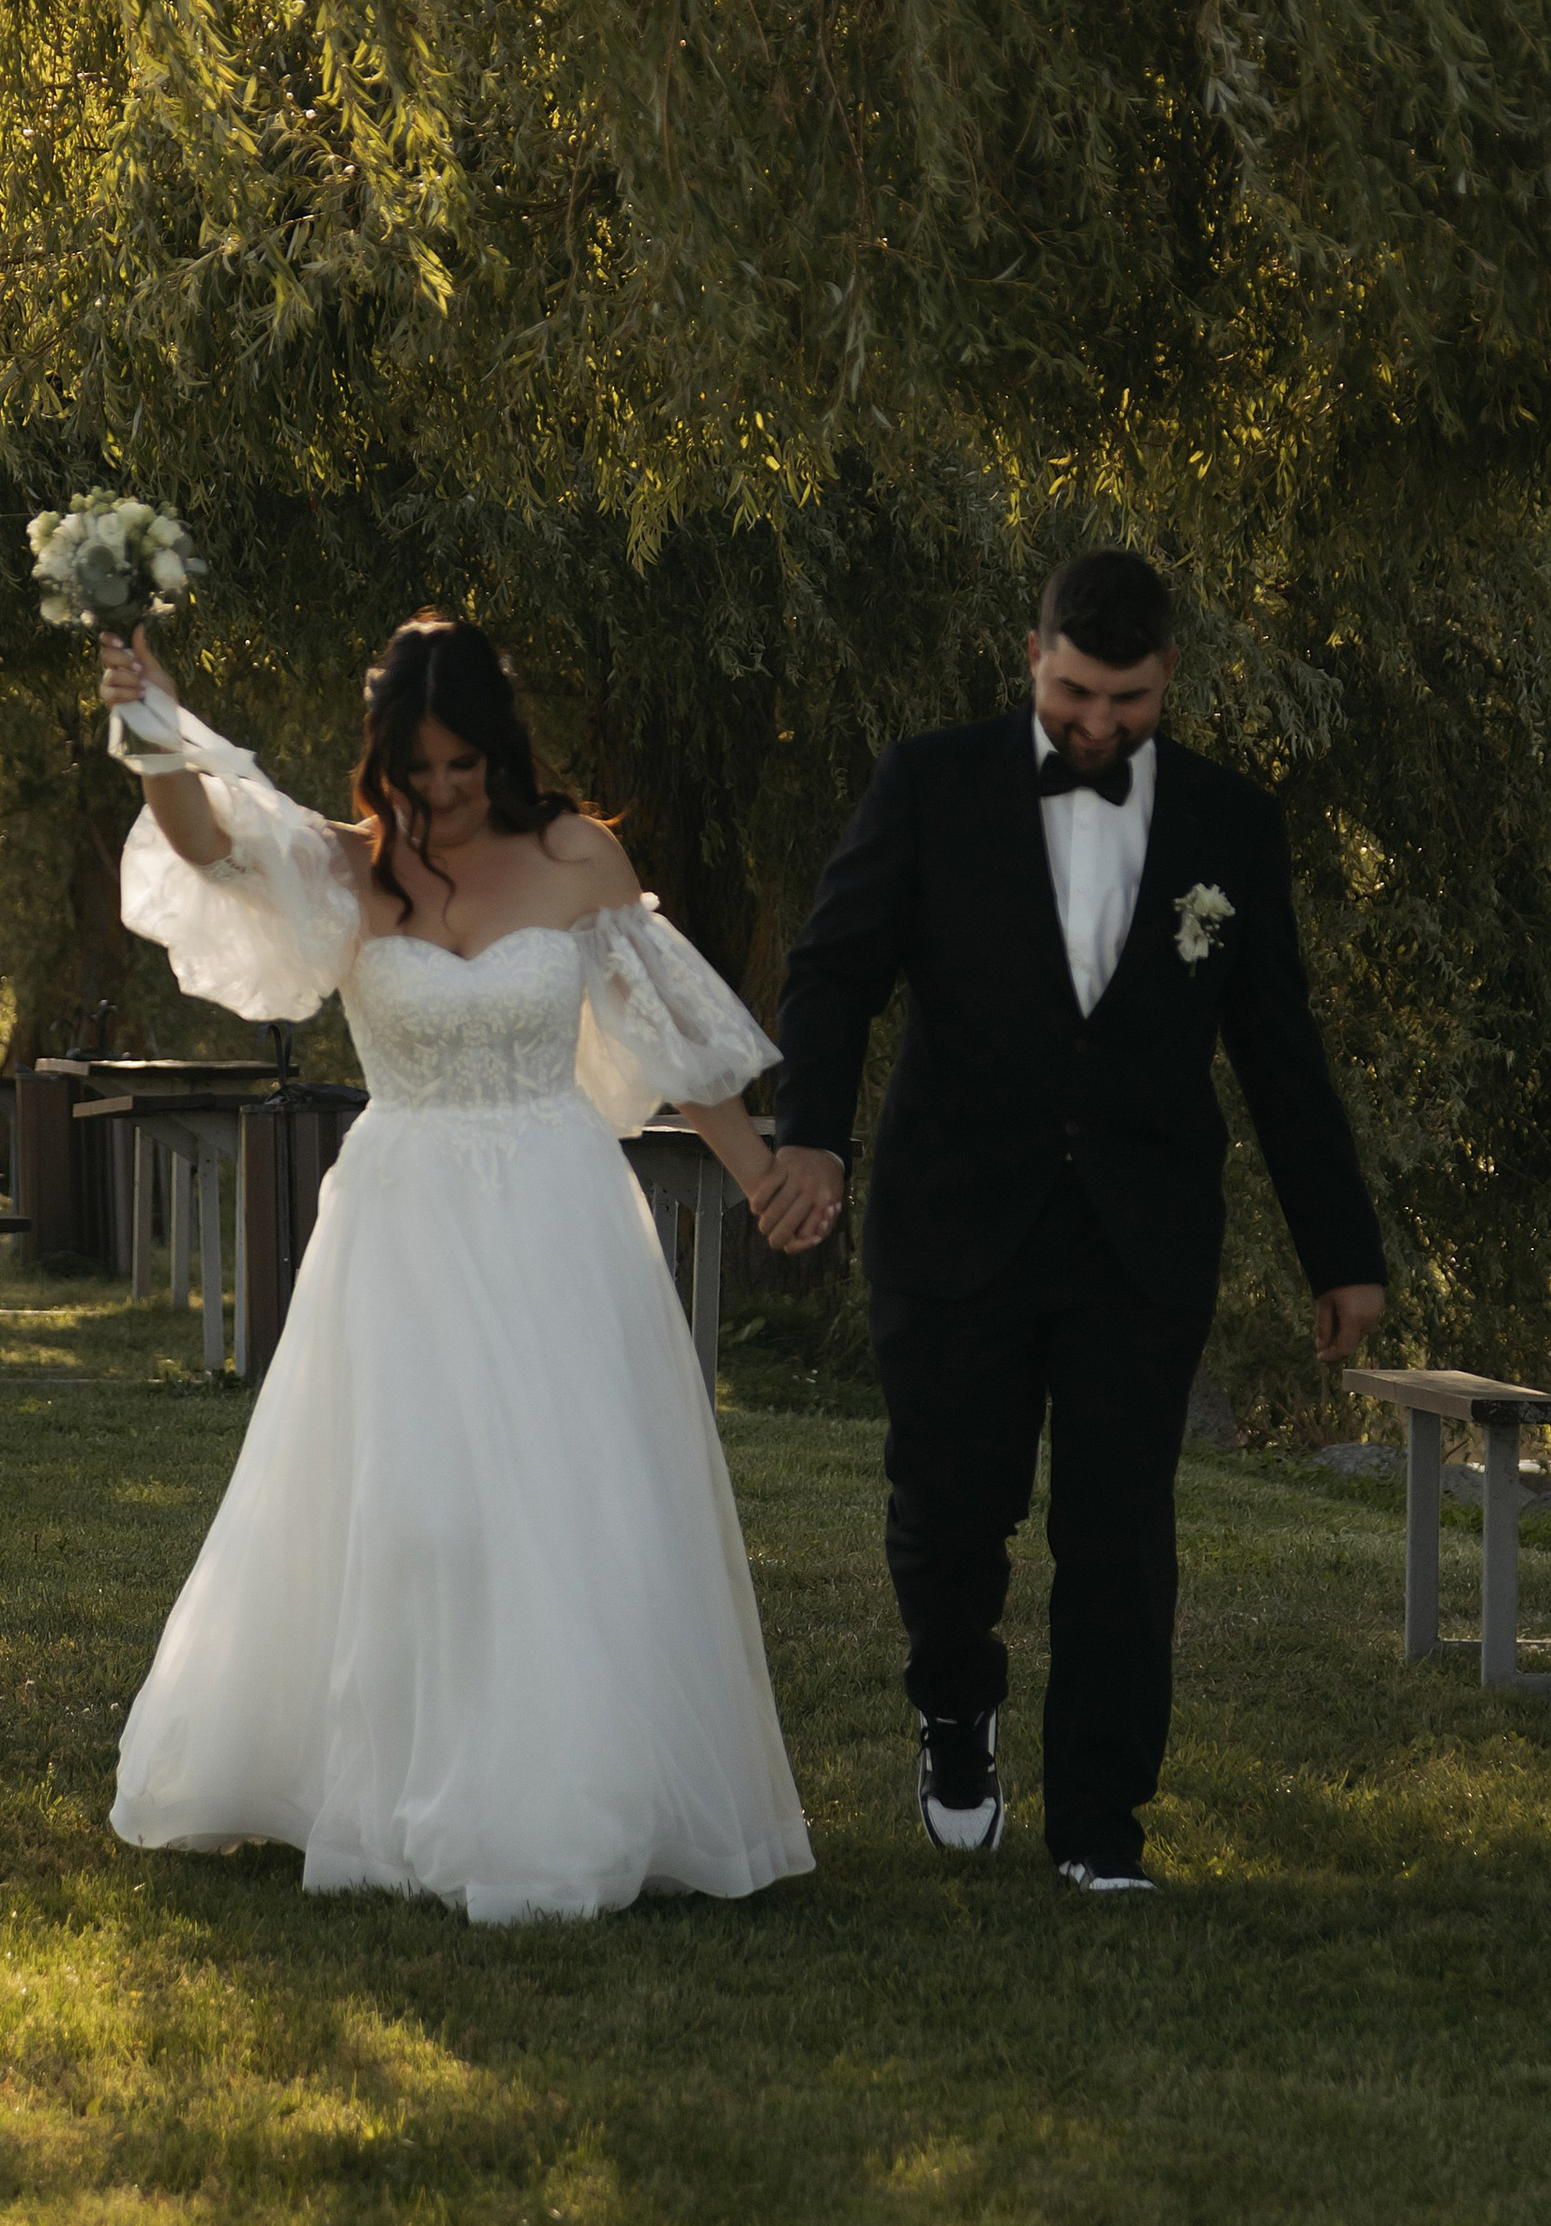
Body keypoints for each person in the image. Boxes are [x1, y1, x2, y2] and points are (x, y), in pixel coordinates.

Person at [97, 609, 814, 1925]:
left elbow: (663, 1028)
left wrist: (760, 1169)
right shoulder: (352, 868)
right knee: (419, 1509)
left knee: (565, 1504)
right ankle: (401, 1785)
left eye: (462, 770)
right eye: (417, 772)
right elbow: (204, 839)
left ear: (502, 749)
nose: (440, 795)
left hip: (555, 1214)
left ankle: (570, 1798)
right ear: (387, 759)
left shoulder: (576, 854)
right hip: (407, 1218)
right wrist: (150, 718)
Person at [749, 547, 1386, 1893]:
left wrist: (1345, 1254)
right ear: (1031, 656)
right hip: (950, 1216)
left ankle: (1100, 1828)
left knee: (1120, 1527)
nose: (1099, 724)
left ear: (1168, 679)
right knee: (947, 1510)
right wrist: (810, 1128)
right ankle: (955, 1707)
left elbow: (1280, 1050)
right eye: (1077, 692)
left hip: (1139, 1233)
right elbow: (833, 968)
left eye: (1130, 699)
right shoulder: (931, 783)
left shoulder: (1230, 824)